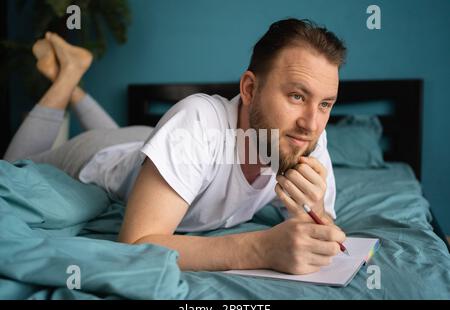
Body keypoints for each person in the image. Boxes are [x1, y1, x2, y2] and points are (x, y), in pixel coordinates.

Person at [4, 18, 347, 275]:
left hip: (148, 143)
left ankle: (74, 81)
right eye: (297, 96)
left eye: (325, 104)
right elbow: (136, 244)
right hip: (99, 157)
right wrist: (259, 248)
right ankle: (66, 79)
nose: (311, 122)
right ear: (249, 90)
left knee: (138, 144)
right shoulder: (198, 120)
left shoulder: (304, 136)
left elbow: (322, 225)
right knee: (14, 164)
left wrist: (313, 206)